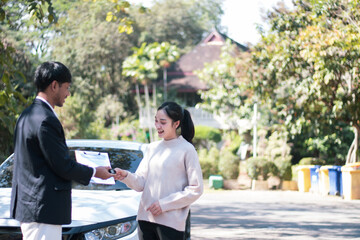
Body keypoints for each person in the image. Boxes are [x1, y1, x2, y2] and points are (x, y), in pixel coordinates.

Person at [10, 61, 114, 240]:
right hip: (42, 210)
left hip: (32, 206)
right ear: (54, 85)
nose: (68, 93)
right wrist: (95, 172)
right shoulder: (45, 119)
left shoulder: (26, 115)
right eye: (66, 87)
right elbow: (62, 165)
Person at [114, 101, 203, 240]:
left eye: (162, 122)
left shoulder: (187, 149)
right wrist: (125, 176)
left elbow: (196, 189)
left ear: (176, 123)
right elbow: (140, 183)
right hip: (145, 219)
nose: (157, 126)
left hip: (171, 224)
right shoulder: (152, 148)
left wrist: (164, 205)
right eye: (156, 121)